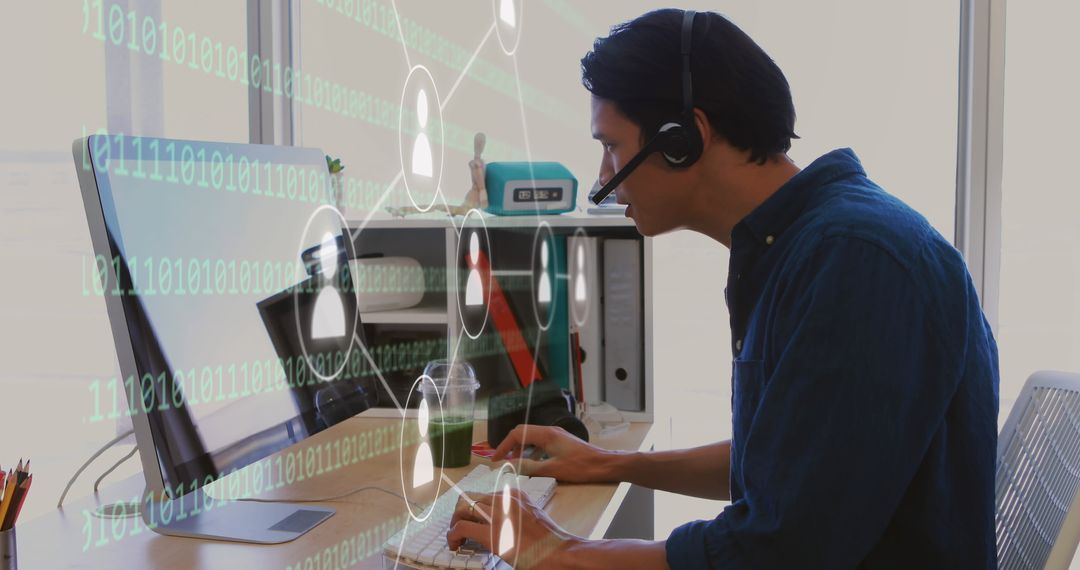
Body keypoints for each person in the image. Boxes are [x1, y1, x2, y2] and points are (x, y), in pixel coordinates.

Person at [446, 8, 999, 569]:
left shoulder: (855, 263)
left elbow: (778, 551)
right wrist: (609, 464)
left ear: (683, 140)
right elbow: (793, 465)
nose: (601, 179)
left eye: (611, 145)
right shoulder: (808, 246)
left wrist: (560, 550)